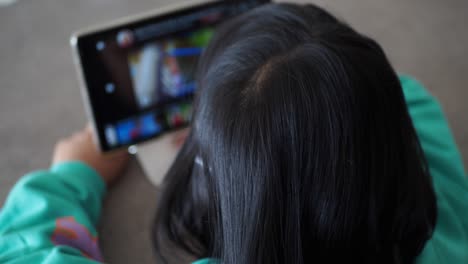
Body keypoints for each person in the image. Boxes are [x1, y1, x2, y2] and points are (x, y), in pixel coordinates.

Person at [1, 3, 467, 264]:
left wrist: (70, 174)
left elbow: (23, 254)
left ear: (218, 178)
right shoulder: (420, 141)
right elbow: (390, 96)